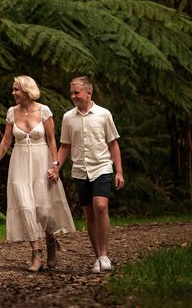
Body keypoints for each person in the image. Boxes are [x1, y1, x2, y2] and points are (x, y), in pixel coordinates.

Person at [0, 76, 76, 272]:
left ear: (27, 90)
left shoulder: (44, 110)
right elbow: (5, 141)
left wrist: (55, 166)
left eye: (16, 89)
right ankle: (36, 253)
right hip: (19, 163)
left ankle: (51, 241)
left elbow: (53, 141)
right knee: (27, 208)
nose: (13, 93)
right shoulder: (12, 112)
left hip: (41, 161)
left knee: (43, 209)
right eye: (13, 90)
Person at [52, 76, 124, 274]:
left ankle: (104, 255)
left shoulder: (103, 114)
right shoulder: (68, 117)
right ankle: (97, 257)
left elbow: (113, 143)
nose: (73, 96)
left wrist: (119, 171)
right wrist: (56, 166)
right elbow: (65, 146)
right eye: (72, 93)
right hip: (80, 170)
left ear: (88, 92)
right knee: (89, 214)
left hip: (101, 166)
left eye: (77, 93)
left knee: (101, 206)